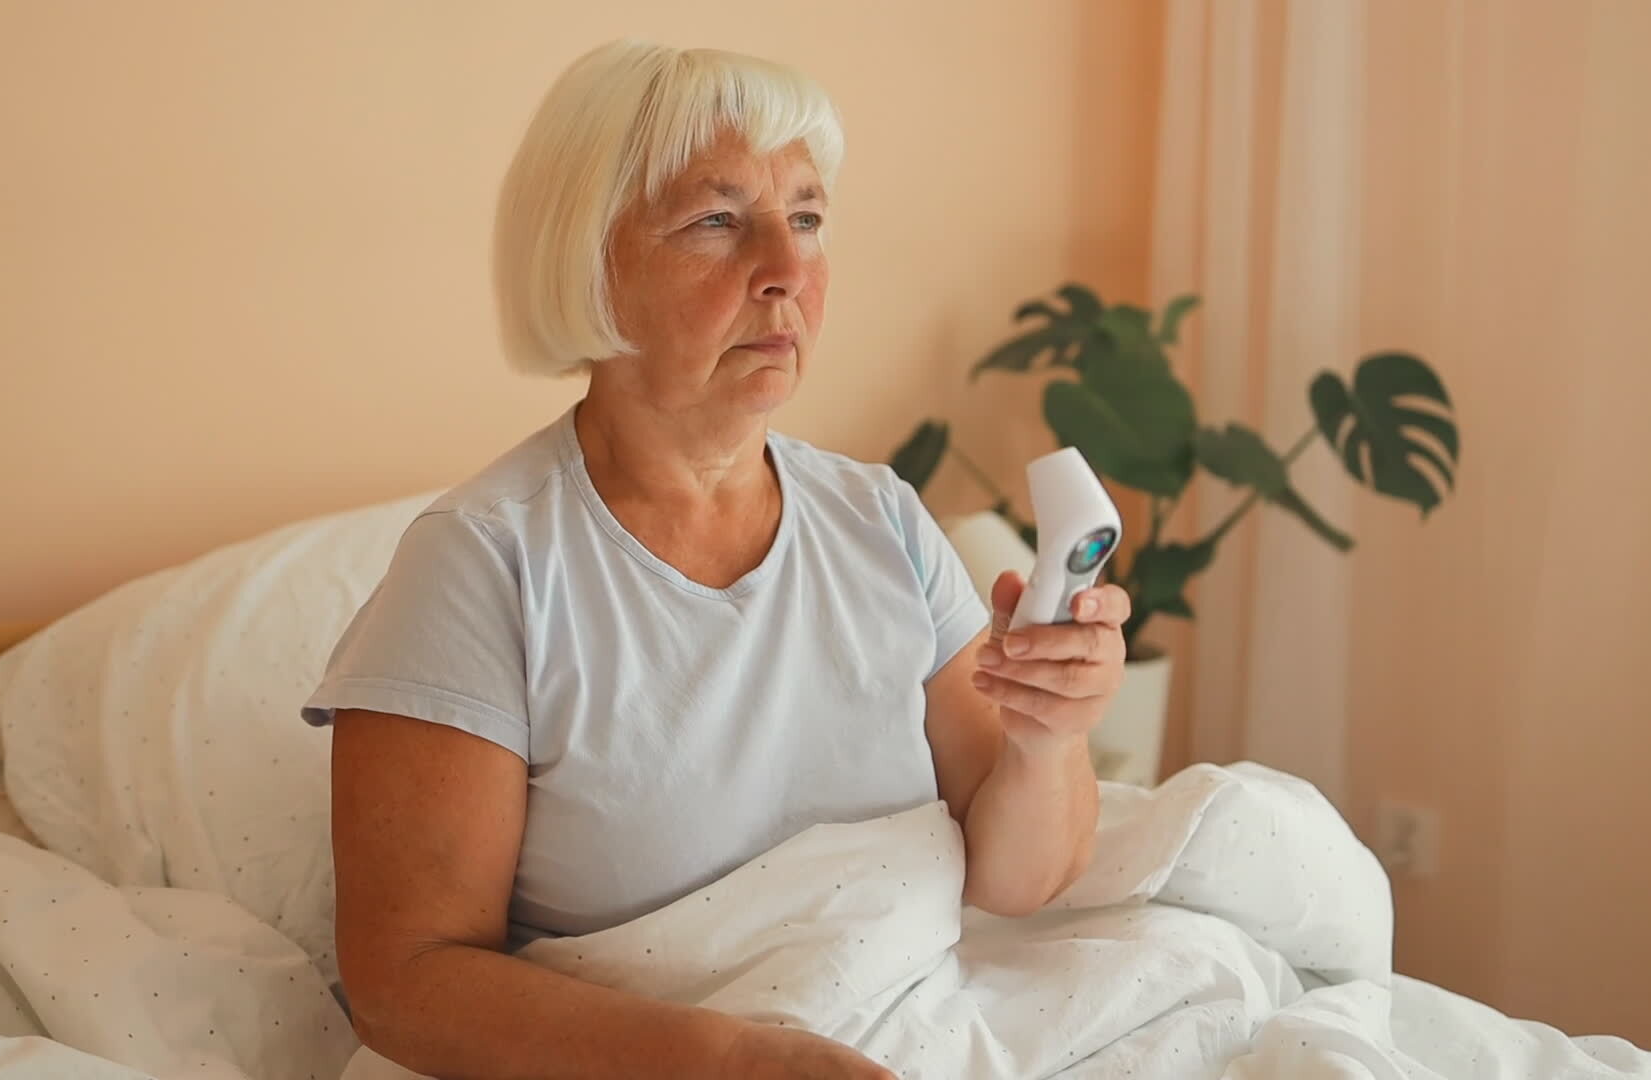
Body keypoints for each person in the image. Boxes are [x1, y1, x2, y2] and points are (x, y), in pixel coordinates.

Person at [303, 37, 1129, 1080]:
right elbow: (404, 978)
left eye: (807, 218)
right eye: (717, 221)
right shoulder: (481, 566)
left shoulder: (883, 519)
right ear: (590, 263)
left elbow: (1019, 882)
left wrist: (1050, 740)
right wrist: (733, 1063)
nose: (787, 270)